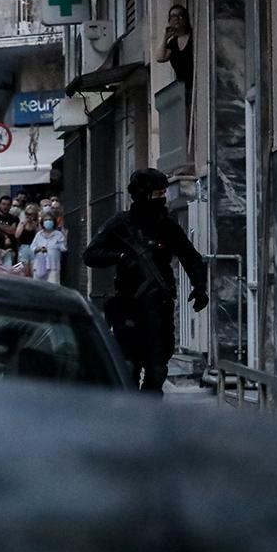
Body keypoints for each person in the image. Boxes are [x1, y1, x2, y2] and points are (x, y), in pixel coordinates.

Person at [83, 168, 209, 395]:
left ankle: (150, 412)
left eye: (164, 193)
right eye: (158, 194)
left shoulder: (166, 226)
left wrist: (200, 287)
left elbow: (190, 257)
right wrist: (121, 256)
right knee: (128, 368)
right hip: (129, 306)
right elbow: (90, 255)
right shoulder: (121, 224)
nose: (162, 199)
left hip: (159, 307)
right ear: (143, 194)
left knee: (157, 369)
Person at [156, 4, 193, 87]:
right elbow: (160, 58)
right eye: (173, 16)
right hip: (182, 87)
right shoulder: (173, 43)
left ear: (186, 19)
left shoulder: (193, 37)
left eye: (180, 15)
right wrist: (165, 37)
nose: (176, 18)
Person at [31, 216, 68, 284]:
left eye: (50, 219)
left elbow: (64, 248)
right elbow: (32, 247)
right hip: (39, 266)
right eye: (46, 220)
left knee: (53, 286)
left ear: (53, 222)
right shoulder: (39, 234)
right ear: (42, 222)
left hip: (53, 266)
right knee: (38, 286)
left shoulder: (58, 234)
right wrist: (39, 249)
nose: (48, 221)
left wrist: (65, 238)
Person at [15, 203, 41, 277]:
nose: (29, 216)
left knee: (34, 271)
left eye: (31, 214)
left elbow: (40, 236)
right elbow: (17, 235)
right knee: (24, 271)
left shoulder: (37, 224)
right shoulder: (22, 223)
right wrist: (23, 225)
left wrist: (35, 226)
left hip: (34, 248)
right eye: (27, 214)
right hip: (24, 248)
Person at [0, 195, 19, 268]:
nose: (5, 207)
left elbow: (12, 231)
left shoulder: (14, 218)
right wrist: (6, 232)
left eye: (8, 205)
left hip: (10, 250)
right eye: (3, 204)